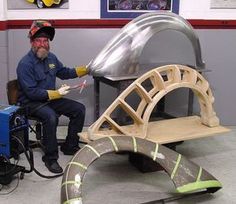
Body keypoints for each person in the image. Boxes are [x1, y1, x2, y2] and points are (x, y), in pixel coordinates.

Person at [16, 20, 89, 174]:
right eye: (38, 40)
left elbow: (64, 72)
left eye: (45, 40)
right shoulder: (25, 64)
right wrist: (56, 94)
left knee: (79, 109)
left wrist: (86, 70)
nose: (42, 44)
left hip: (49, 99)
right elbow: (31, 92)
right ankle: (50, 158)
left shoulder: (51, 58)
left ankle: (70, 146)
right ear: (31, 42)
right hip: (30, 103)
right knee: (50, 117)